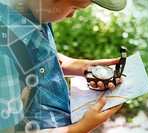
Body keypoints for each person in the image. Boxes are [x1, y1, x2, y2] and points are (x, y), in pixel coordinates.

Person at [0, 0, 127, 132]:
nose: (71, 15)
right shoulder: (3, 56)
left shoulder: (33, 12)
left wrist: (83, 67)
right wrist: (81, 128)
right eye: (74, 7)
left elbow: (39, 56)